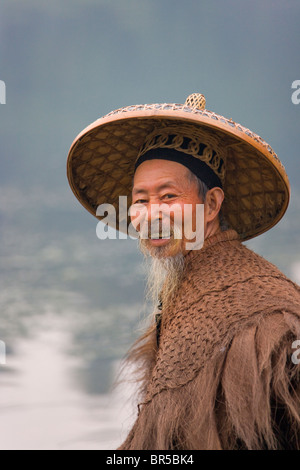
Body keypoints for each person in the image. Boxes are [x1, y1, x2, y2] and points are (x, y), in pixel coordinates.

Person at [67, 93, 300, 450]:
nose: (151, 214)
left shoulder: (263, 311)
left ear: (211, 205)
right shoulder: (188, 281)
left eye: (168, 197)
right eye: (141, 200)